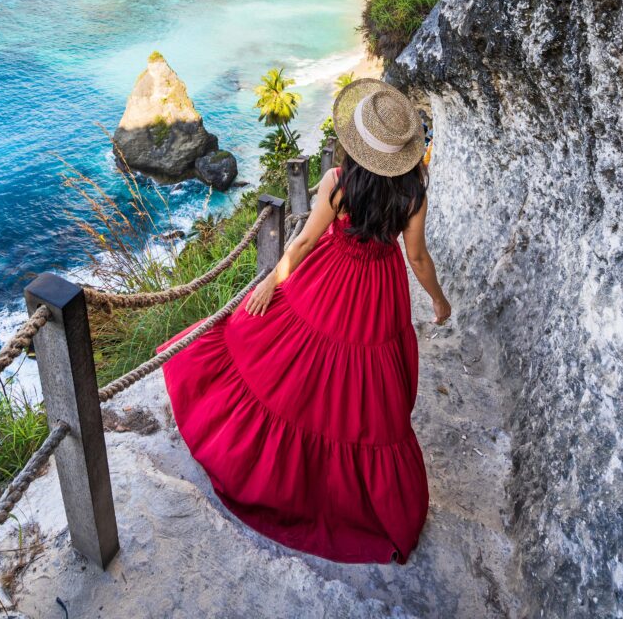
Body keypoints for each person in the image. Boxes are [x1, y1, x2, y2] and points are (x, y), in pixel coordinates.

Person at [156, 78, 451, 564]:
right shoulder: (414, 191)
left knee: (295, 365)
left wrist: (272, 281)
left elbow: (306, 242)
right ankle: (370, 505)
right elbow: (417, 257)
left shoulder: (339, 181)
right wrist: (438, 301)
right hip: (380, 290)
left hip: (329, 279)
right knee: (365, 392)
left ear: (357, 143)